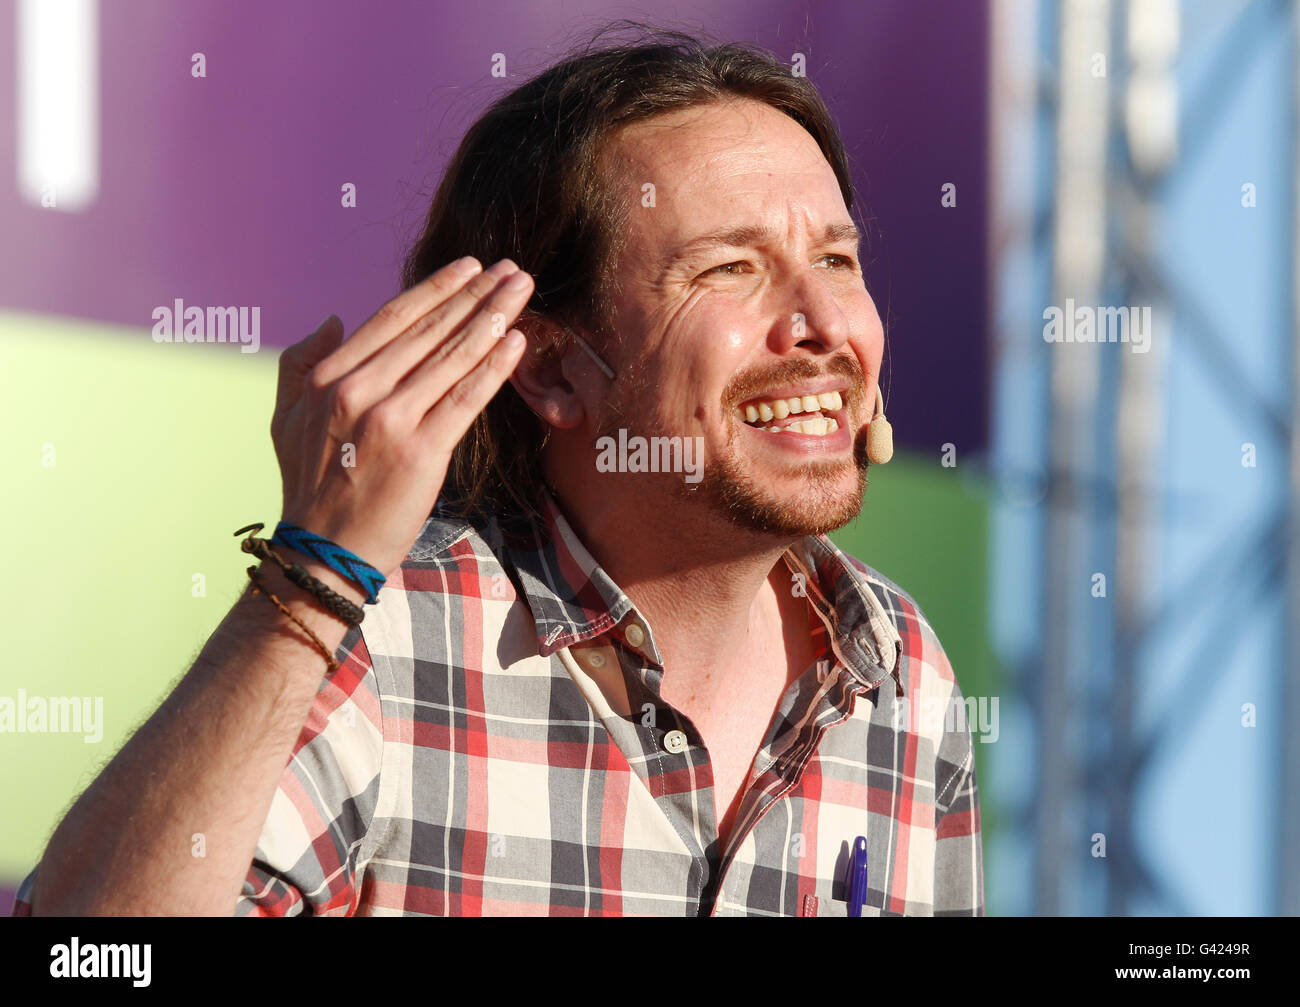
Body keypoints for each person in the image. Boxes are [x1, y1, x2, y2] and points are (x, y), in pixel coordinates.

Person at [14, 27, 982, 917]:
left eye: (838, 258)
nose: (822, 323)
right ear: (554, 368)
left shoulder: (902, 670)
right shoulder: (379, 642)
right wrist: (309, 583)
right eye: (729, 268)